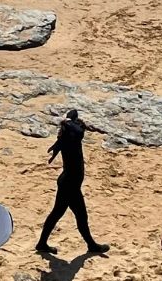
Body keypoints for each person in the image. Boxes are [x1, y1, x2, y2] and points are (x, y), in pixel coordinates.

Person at [36, 110, 109, 257]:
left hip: (68, 183)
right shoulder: (73, 137)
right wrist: (70, 121)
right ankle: (92, 245)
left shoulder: (66, 138)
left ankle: (42, 243)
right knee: (80, 216)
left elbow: (72, 131)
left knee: (59, 213)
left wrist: (68, 121)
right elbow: (79, 130)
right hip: (70, 185)